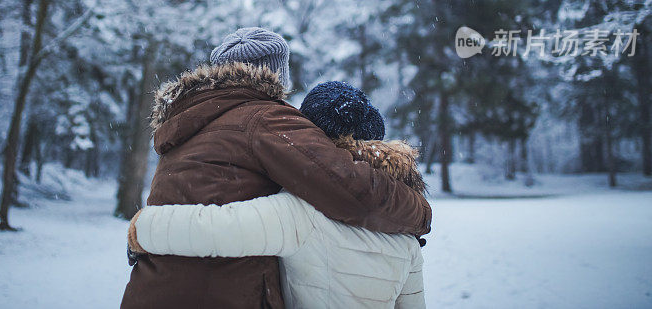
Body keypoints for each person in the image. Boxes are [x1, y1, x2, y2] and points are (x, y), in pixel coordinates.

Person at [120, 28, 431, 309]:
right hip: (218, 294)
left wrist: (144, 231)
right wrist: (420, 212)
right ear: (276, 75)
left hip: (150, 289)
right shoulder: (265, 118)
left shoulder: (188, 123)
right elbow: (351, 189)